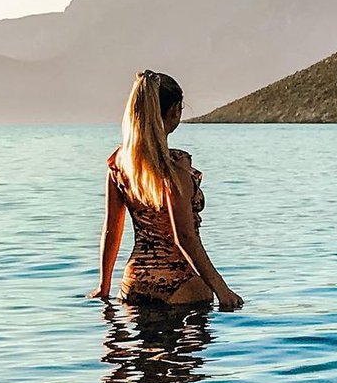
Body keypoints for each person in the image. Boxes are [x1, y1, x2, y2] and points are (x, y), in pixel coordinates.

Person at [88, 70, 243, 310]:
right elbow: (185, 238)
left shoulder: (120, 164)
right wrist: (223, 290)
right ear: (175, 111)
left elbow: (111, 230)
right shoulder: (174, 172)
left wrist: (104, 285)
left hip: (134, 285)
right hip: (178, 284)